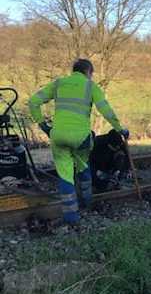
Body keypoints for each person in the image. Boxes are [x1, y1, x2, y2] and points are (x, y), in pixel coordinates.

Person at [28, 59, 129, 224]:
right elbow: (106, 111)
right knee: (83, 167)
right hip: (81, 138)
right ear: (89, 72)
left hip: (58, 136)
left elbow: (33, 102)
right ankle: (87, 202)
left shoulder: (59, 83)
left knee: (65, 177)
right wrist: (120, 129)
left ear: (74, 70)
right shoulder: (91, 86)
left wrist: (43, 126)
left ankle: (71, 217)